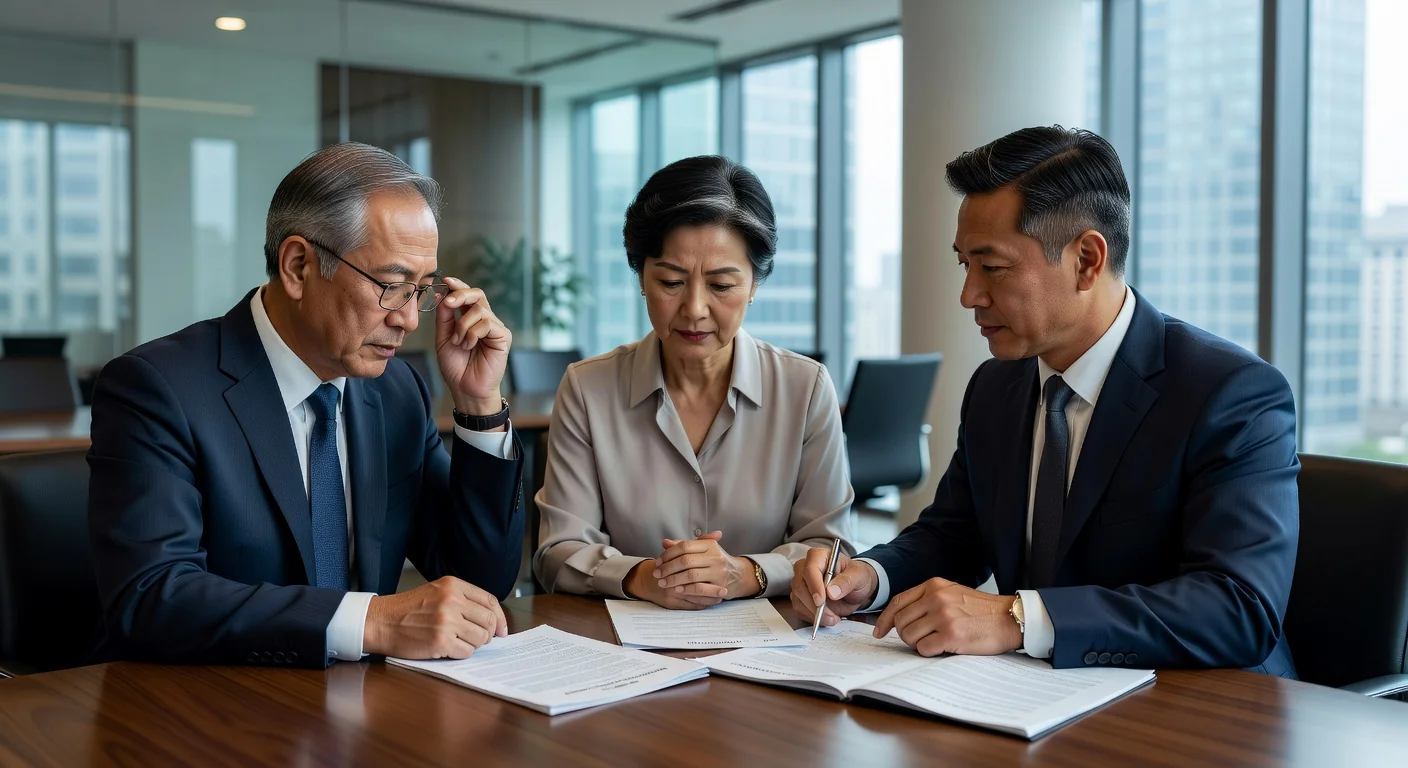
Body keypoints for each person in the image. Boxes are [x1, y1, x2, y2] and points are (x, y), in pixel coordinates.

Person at [791, 127, 1300, 676]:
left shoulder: (1230, 393)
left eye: (994, 267)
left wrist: (1015, 618)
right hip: (1035, 702)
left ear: (1086, 259)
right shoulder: (995, 387)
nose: (969, 295)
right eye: (965, 264)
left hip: (1202, 715)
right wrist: (868, 577)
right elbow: (954, 534)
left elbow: (1238, 608)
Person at [87, 143, 526, 668]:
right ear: (298, 266)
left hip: (365, 713)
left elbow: (479, 586)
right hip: (212, 713)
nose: (410, 319)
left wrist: (479, 406)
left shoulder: (396, 391)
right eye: (391, 287)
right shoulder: (158, 388)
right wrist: (374, 621)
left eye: (422, 290)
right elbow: (152, 597)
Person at [534, 155, 855, 608]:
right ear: (641, 277)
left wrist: (747, 573)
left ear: (755, 285)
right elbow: (556, 553)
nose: (695, 309)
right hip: (627, 652)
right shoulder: (589, 389)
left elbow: (832, 548)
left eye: (722, 286)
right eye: (671, 281)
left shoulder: (805, 389)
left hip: (770, 647)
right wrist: (644, 577)